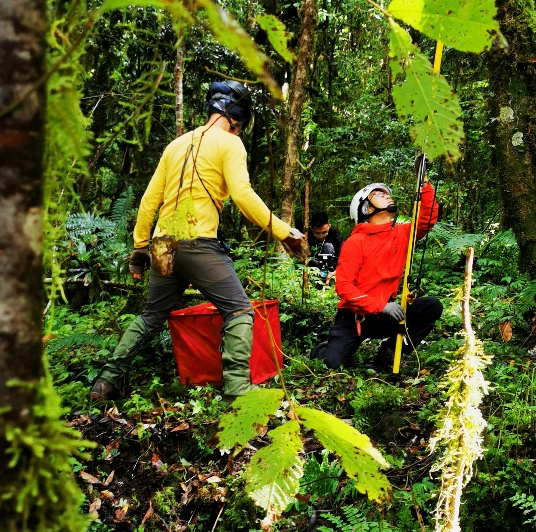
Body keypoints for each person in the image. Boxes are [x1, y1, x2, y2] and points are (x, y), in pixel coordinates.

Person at [91, 81, 306, 402]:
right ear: (235, 120)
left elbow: (149, 201)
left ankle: (105, 382)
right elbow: (243, 195)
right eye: (241, 127)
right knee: (239, 311)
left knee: (152, 316)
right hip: (197, 244)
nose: (239, 133)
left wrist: (139, 247)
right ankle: (237, 390)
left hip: (163, 246)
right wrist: (285, 232)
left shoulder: (175, 145)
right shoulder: (231, 145)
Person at [310, 177, 442, 371]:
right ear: (366, 208)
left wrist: (424, 185)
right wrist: (380, 306)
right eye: (379, 195)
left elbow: (426, 220)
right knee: (330, 363)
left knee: (431, 306)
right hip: (356, 318)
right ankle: (324, 349)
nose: (387, 196)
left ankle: (390, 349)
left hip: (387, 316)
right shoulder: (355, 242)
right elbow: (344, 287)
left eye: (386, 193)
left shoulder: (401, 234)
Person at [306, 210, 343, 284]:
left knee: (327, 246)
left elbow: (344, 254)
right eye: (317, 233)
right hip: (313, 264)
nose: (320, 236)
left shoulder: (335, 234)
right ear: (311, 229)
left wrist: (334, 273)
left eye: (324, 233)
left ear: (329, 226)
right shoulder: (307, 235)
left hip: (332, 263)